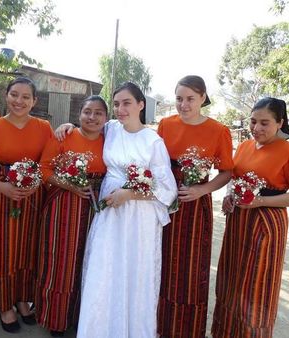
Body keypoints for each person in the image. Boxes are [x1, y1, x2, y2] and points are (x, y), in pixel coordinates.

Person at [77, 82, 177, 338]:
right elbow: (86, 130)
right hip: (110, 211)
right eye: (117, 104)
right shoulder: (110, 129)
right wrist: (66, 127)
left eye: (127, 103)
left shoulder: (153, 141)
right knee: (105, 266)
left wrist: (130, 194)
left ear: (141, 105)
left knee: (134, 269)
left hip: (138, 216)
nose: (120, 109)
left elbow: (167, 188)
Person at [211, 97, 289, 338]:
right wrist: (230, 196)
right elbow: (236, 178)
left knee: (257, 282)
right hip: (238, 221)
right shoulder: (246, 146)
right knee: (231, 276)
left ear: (280, 122)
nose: (256, 128)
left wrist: (261, 202)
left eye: (264, 123)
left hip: (267, 223)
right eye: (253, 122)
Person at [156, 75, 234, 337]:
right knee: (162, 260)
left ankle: (187, 329)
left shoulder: (219, 130)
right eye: (179, 98)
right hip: (164, 201)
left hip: (195, 205)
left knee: (191, 266)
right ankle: (160, 325)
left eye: (190, 98)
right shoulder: (165, 124)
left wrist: (202, 189)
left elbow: (226, 172)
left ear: (203, 98)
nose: (184, 104)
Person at [0, 77, 53, 333]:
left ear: (34, 101)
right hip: (1, 195)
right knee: (2, 251)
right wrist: (3, 187)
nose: (19, 101)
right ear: (6, 96)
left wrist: (35, 182)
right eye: (14, 95)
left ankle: (22, 299)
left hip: (33, 196)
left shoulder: (43, 127)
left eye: (26, 97)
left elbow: (47, 163)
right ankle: (3, 304)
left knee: (29, 249)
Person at [35, 95, 108, 337]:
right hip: (63, 205)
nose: (92, 117)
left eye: (99, 113)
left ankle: (80, 316)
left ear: (106, 118)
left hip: (95, 207)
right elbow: (44, 169)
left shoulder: (110, 140)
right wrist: (68, 184)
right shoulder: (64, 136)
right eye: (88, 111)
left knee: (89, 260)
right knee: (60, 259)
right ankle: (55, 317)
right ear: (79, 114)